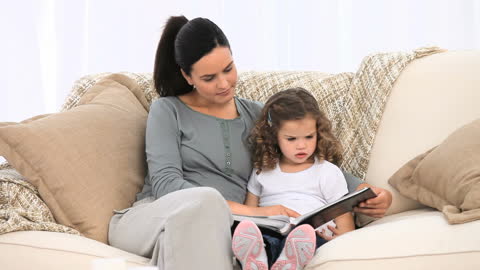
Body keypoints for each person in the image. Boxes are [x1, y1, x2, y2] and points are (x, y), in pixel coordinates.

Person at [108, 15, 393, 270]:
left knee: (218, 238)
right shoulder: (167, 111)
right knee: (205, 207)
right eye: (209, 77)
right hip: (153, 218)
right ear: (187, 75)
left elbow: (308, 159)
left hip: (221, 228)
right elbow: (166, 184)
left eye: (228, 68)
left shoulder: (259, 115)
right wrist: (255, 212)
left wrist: (367, 192)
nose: (224, 84)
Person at [232, 88, 355, 270]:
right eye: (291, 139)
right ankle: (261, 259)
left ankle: (286, 260)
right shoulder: (262, 170)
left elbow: (343, 214)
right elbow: (251, 211)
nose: (301, 145)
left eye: (309, 136)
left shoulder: (327, 171)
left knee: (307, 238)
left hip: (311, 233)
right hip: (275, 228)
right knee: (263, 236)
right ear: (274, 137)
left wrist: (344, 236)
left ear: (318, 133)